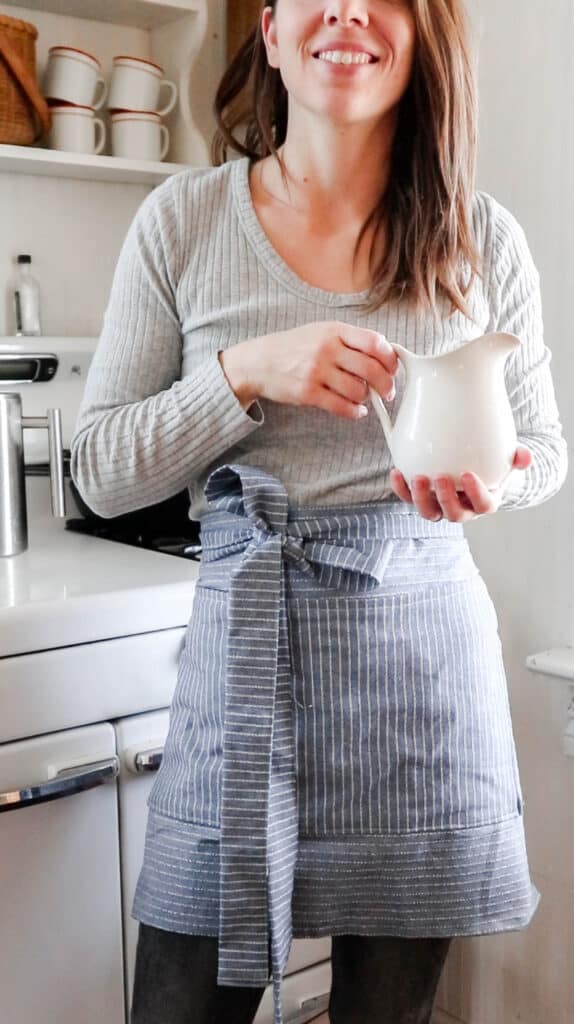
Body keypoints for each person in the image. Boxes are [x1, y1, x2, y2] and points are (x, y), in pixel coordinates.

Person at [71, 1, 568, 1022]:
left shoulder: (482, 236)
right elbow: (100, 470)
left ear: (422, 31)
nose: (346, 9)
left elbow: (543, 450)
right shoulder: (181, 220)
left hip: (420, 688)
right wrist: (242, 373)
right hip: (243, 660)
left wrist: (493, 483)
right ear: (270, 28)